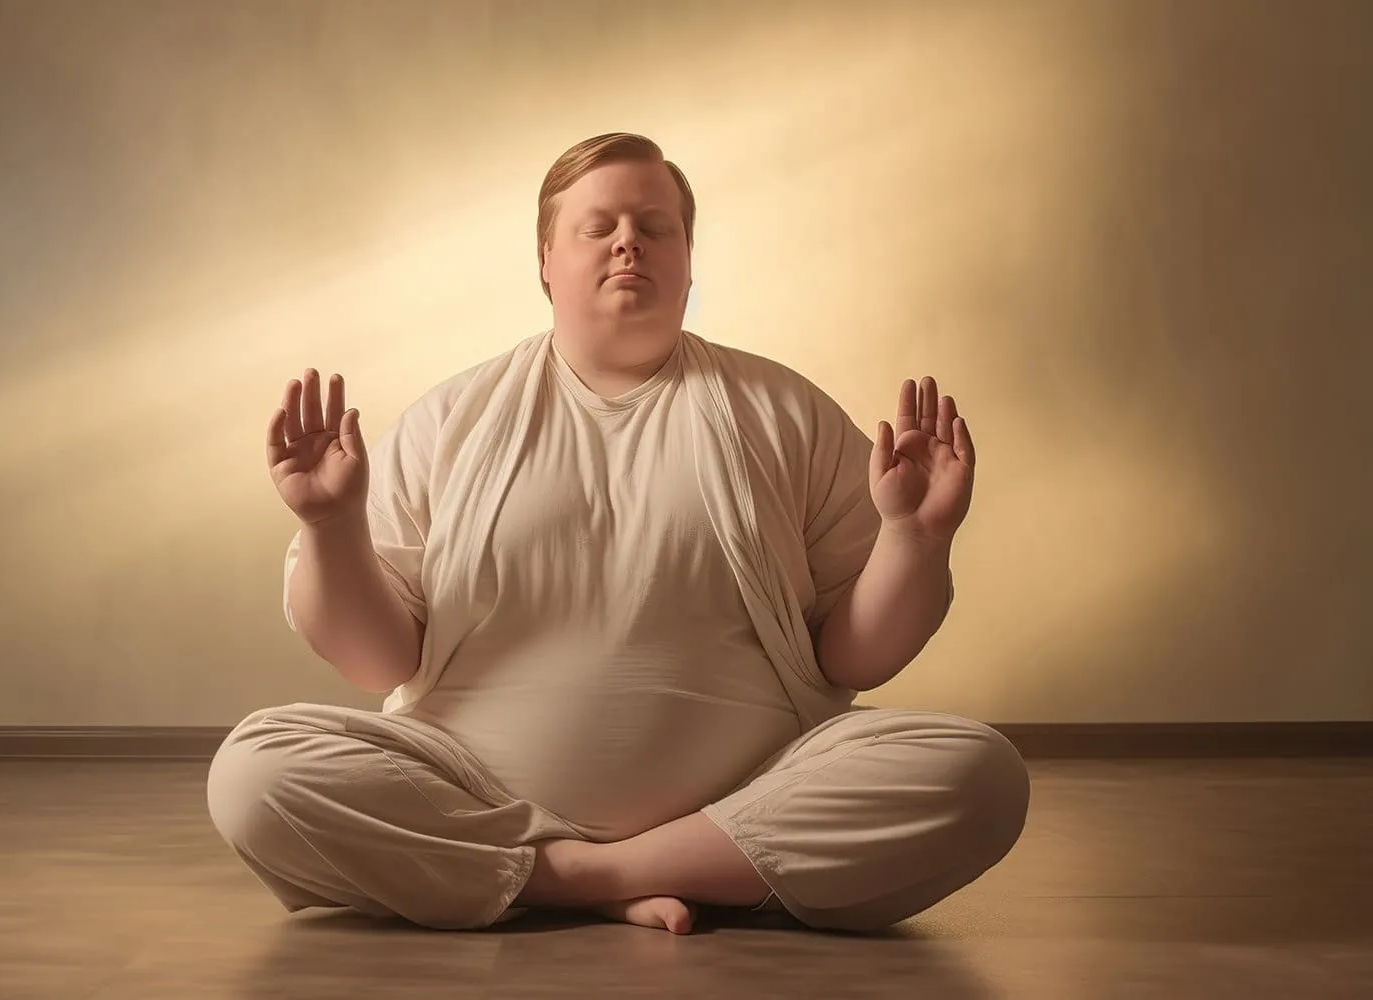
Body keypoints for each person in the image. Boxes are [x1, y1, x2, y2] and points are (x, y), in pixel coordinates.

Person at [207, 132, 1030, 936]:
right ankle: (650, 876)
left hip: (749, 791)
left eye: (655, 227)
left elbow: (853, 661)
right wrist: (329, 527)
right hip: (469, 789)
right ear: (545, 261)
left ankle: (552, 878)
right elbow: (376, 663)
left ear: (689, 259)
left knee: (979, 773)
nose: (628, 243)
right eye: (597, 227)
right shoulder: (450, 420)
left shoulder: (787, 412)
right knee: (254, 772)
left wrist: (915, 541)